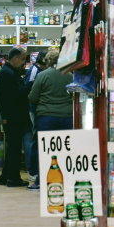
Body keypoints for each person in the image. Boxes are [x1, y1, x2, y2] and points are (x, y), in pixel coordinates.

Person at [26, 50, 74, 191]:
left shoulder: (42, 75)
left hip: (46, 117)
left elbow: (32, 98)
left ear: (47, 61)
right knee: (64, 150)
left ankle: (41, 181)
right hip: (66, 117)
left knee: (46, 150)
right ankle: (64, 180)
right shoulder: (70, 76)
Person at [0, 47, 32, 187]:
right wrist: (30, 84)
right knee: (15, 148)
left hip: (11, 116)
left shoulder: (8, 71)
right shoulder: (8, 73)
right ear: (15, 58)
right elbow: (19, 93)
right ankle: (13, 178)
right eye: (23, 59)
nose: (24, 63)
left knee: (12, 148)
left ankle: (5, 177)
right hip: (13, 117)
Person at [23, 51, 48, 183]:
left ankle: (37, 170)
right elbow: (29, 90)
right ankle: (33, 171)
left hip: (39, 109)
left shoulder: (39, 70)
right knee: (36, 139)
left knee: (38, 139)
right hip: (34, 109)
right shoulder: (34, 70)